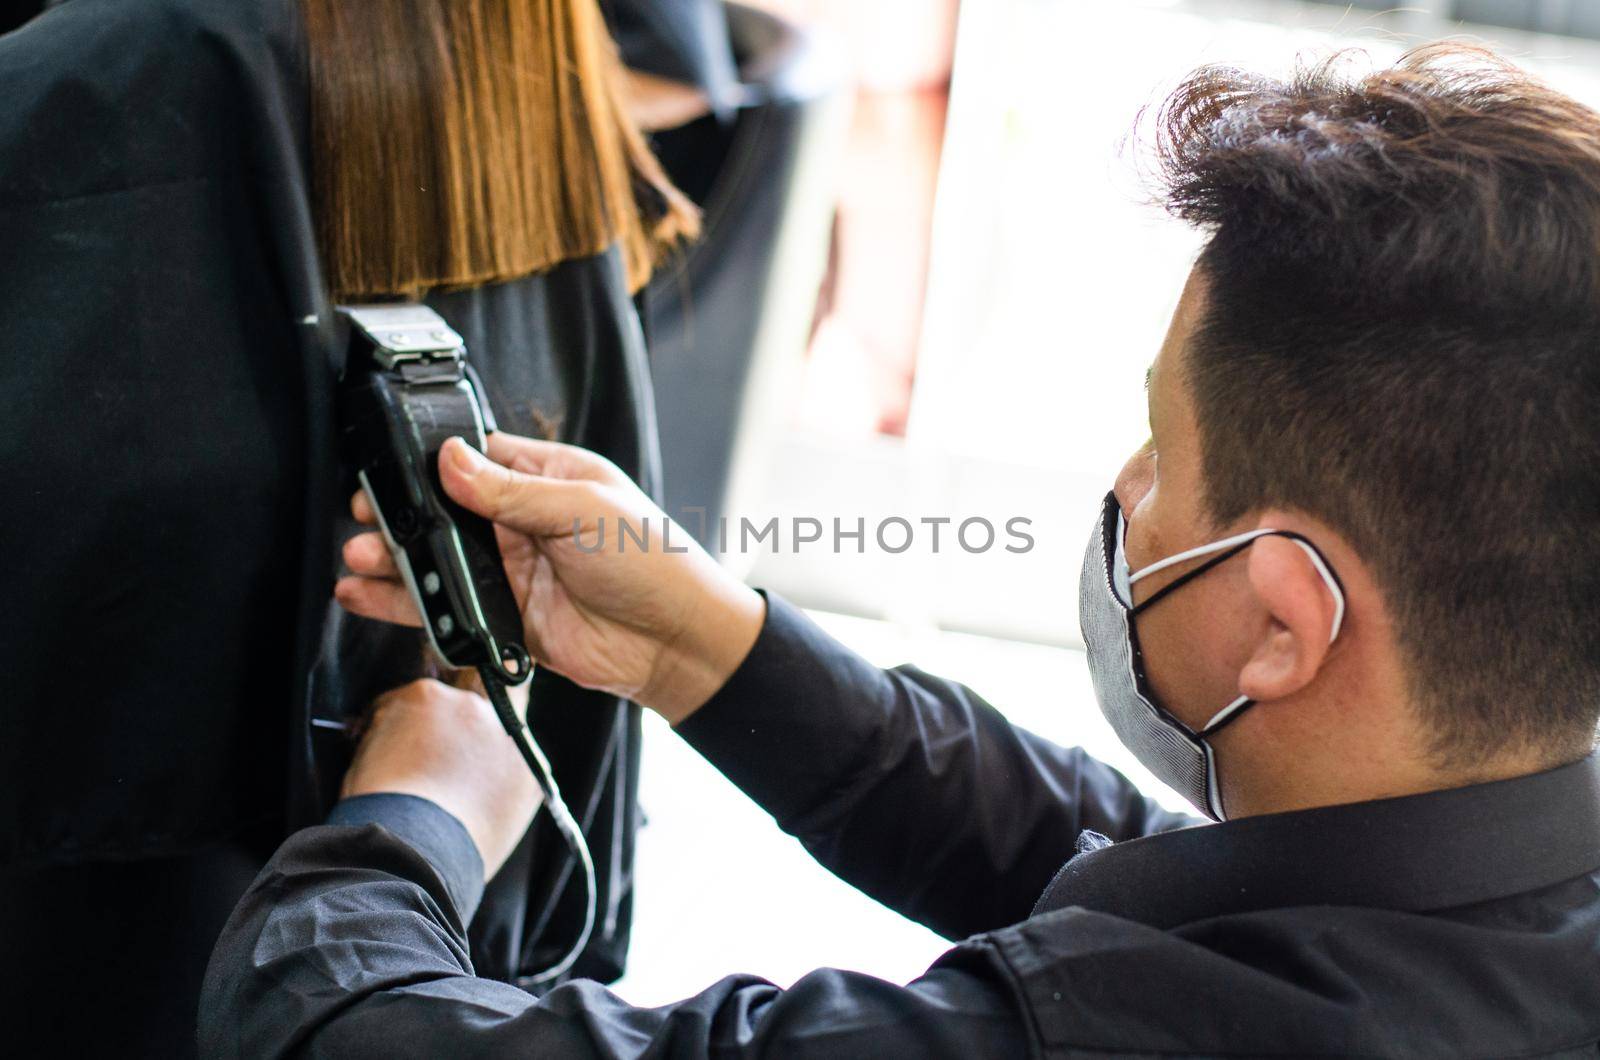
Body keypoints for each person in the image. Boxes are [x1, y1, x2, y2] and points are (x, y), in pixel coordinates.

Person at [201, 44, 1600, 1056]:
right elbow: (1079, 847)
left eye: (1163, 450)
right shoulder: (1506, 896)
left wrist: (410, 823)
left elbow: (337, 1034)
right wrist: (702, 640)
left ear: (1286, 622)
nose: (1129, 491)